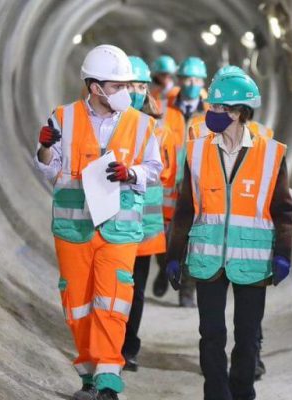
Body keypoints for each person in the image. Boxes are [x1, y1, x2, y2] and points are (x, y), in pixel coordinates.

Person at [34, 44, 163, 400]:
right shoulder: (64, 117)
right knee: (78, 303)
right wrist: (45, 147)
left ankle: (108, 379)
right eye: (117, 85)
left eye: (127, 85)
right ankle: (88, 376)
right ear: (95, 87)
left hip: (119, 228)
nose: (125, 92)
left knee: (113, 301)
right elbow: (50, 168)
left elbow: (155, 170)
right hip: (73, 228)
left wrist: (130, 172)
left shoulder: (142, 125)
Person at [165, 71, 292, 400]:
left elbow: (283, 210)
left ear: (239, 112)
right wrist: (173, 255)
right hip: (207, 259)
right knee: (211, 334)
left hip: (252, 260)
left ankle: (242, 392)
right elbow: (185, 210)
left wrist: (282, 254)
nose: (212, 113)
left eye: (220, 108)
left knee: (248, 335)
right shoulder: (196, 152)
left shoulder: (271, 153)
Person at [121, 56, 178, 372]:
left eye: (140, 85)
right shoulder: (103, 123)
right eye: (129, 84)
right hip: (108, 221)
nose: (135, 91)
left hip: (143, 224)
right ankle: (106, 344)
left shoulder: (160, 129)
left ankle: (128, 346)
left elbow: (166, 174)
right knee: (110, 287)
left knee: (135, 290)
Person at [151, 56, 210, 307]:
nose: (191, 83)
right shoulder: (164, 107)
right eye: (187, 79)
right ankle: (165, 270)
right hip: (166, 186)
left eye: (196, 79)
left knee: (193, 241)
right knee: (163, 241)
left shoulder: (211, 112)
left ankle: (187, 289)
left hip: (196, 188)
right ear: (180, 80)